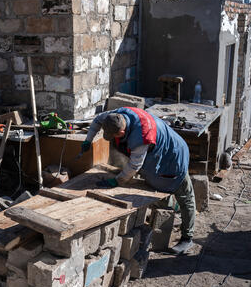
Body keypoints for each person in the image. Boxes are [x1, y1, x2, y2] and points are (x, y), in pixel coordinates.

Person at [82, 107, 196, 254]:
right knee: (158, 189)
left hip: (173, 156)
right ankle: (166, 219)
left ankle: (187, 238)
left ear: (122, 132)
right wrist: (88, 140)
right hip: (156, 151)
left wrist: (118, 181)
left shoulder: (141, 136)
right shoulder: (115, 116)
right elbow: (97, 120)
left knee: (184, 196)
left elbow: (135, 165)